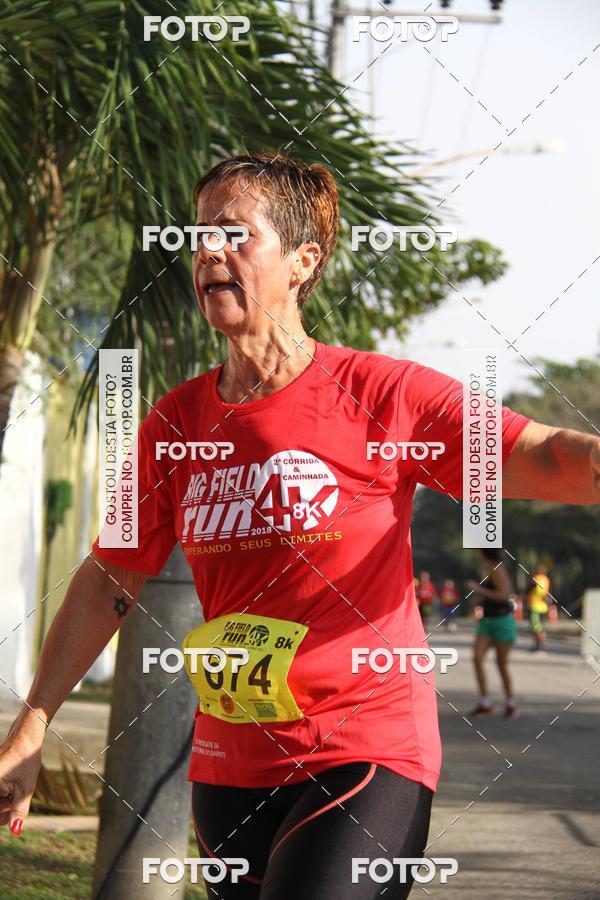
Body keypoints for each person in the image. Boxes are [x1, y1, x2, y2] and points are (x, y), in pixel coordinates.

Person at [2, 153, 600, 898]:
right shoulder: (173, 423)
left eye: (233, 234)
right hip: (231, 767)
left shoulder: (384, 396)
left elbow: (540, 454)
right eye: (198, 237)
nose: (209, 253)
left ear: (302, 260)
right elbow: (108, 576)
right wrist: (33, 723)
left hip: (364, 749)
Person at [465, 549, 518, 719]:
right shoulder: (487, 569)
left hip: (502, 621)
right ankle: (486, 702)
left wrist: (477, 589)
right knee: (477, 659)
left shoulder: (497, 568)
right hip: (487, 621)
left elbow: (504, 595)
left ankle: (510, 703)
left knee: (501, 664)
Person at [527, 563, 551, 652]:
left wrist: (531, 585)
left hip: (536, 607)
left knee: (536, 627)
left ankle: (539, 645)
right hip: (542, 607)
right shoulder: (546, 579)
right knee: (538, 627)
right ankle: (539, 645)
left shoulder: (537, 579)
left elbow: (539, 591)